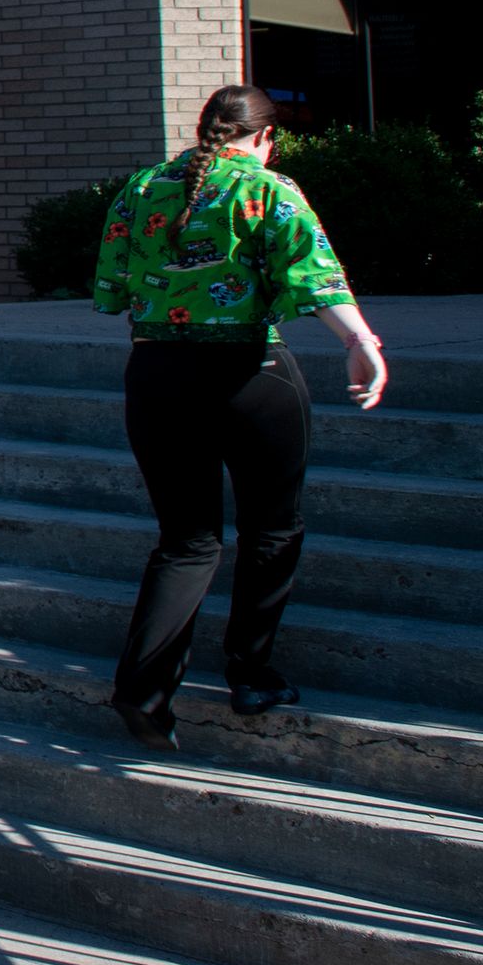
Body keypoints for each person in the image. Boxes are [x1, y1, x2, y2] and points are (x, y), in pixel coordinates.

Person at [87, 83, 388, 746]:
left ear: (206, 131)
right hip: (251, 374)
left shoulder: (140, 188)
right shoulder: (269, 189)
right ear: (264, 138)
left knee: (186, 541)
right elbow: (316, 277)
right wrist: (360, 343)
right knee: (272, 527)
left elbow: (110, 287)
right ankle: (251, 672)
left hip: (157, 374)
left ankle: (142, 692)